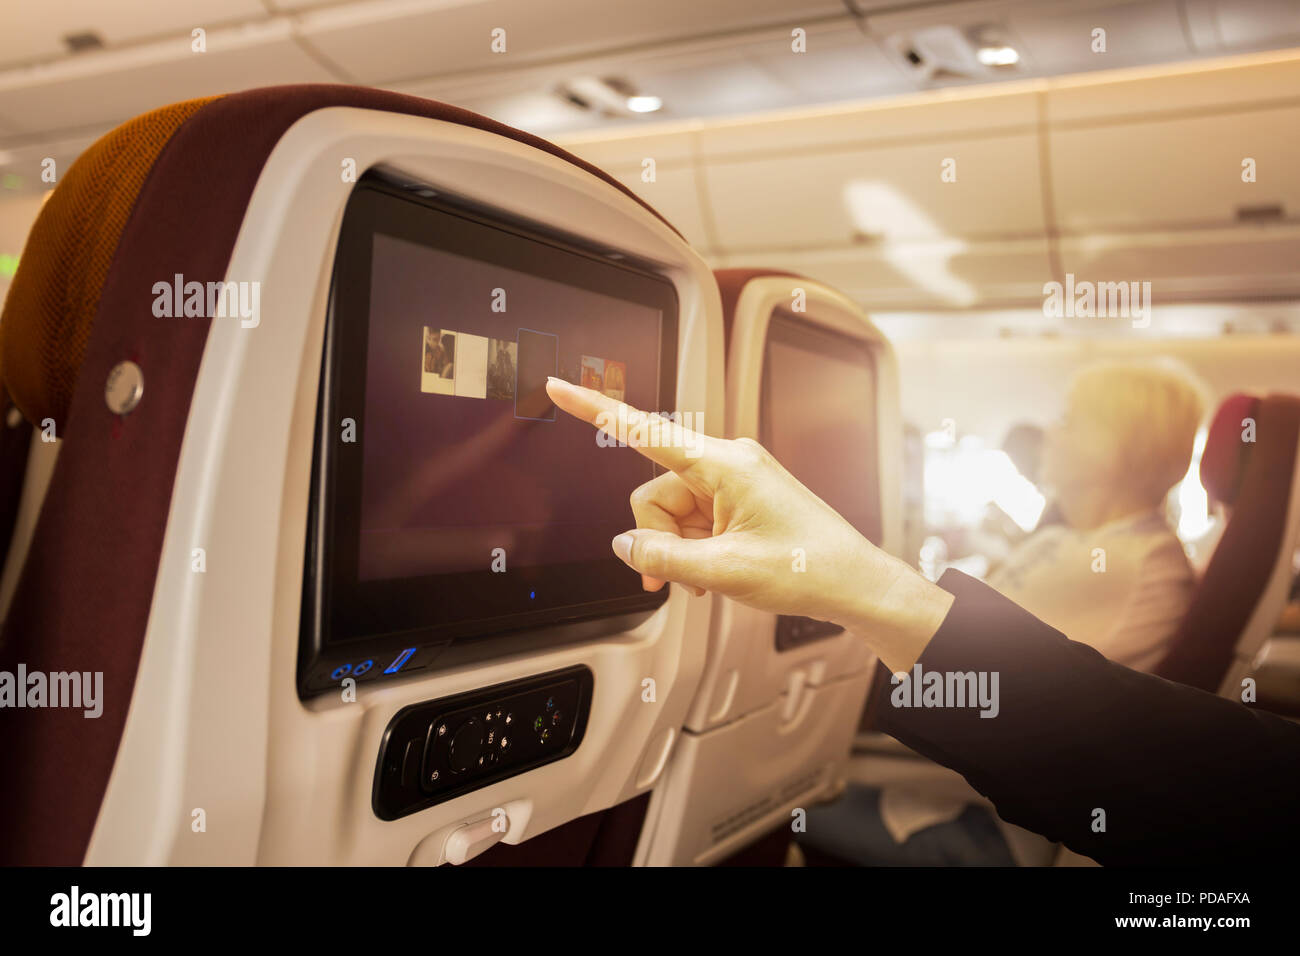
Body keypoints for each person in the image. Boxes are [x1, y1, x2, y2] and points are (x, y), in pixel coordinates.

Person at [544, 376, 1300, 866]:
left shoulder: (1121, 560)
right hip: (1017, 788)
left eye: (1072, 419)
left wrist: (850, 591)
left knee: (773, 821)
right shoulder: (1089, 543)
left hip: (1007, 824)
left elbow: (1027, 698)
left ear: (1114, 448)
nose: (1054, 433)